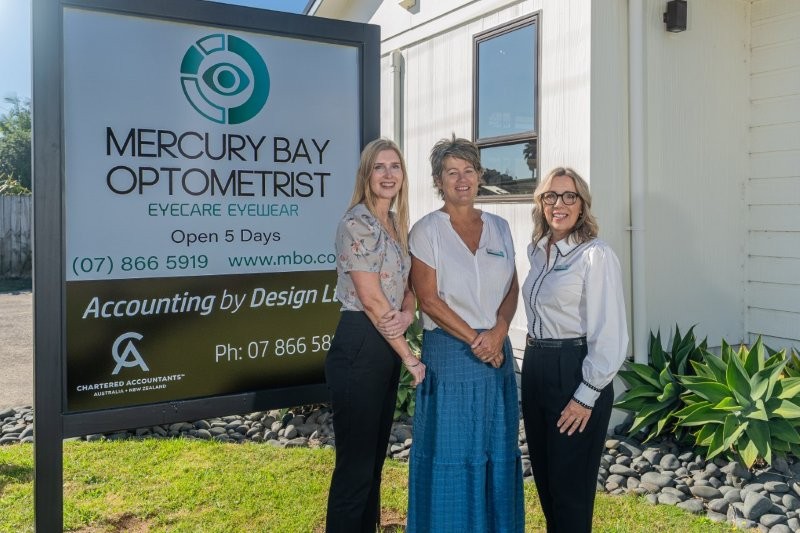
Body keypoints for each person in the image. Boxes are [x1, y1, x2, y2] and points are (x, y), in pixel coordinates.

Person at [407, 135, 523, 532]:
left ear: (479, 175)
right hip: (451, 354)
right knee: (451, 452)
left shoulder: (500, 227)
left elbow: (512, 288)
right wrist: (479, 340)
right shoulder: (427, 231)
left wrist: (500, 331)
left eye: (468, 170)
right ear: (438, 181)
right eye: (451, 172)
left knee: (497, 448)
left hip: (496, 353)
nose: (462, 179)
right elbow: (428, 299)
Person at [325, 138, 426, 533]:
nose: (388, 175)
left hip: (383, 344)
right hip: (360, 345)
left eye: (395, 167)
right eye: (379, 167)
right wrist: (410, 357)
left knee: (372, 465)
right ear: (366, 175)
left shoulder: (395, 224)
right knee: (355, 470)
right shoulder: (357, 223)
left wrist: (408, 312)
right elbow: (370, 299)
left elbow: (408, 286)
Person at [521, 167, 628, 532]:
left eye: (570, 196)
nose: (559, 204)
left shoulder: (595, 255)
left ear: (582, 205)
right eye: (551, 196)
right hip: (536, 366)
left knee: (570, 489)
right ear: (541, 203)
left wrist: (586, 396)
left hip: (574, 370)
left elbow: (610, 333)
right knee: (546, 480)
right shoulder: (538, 251)